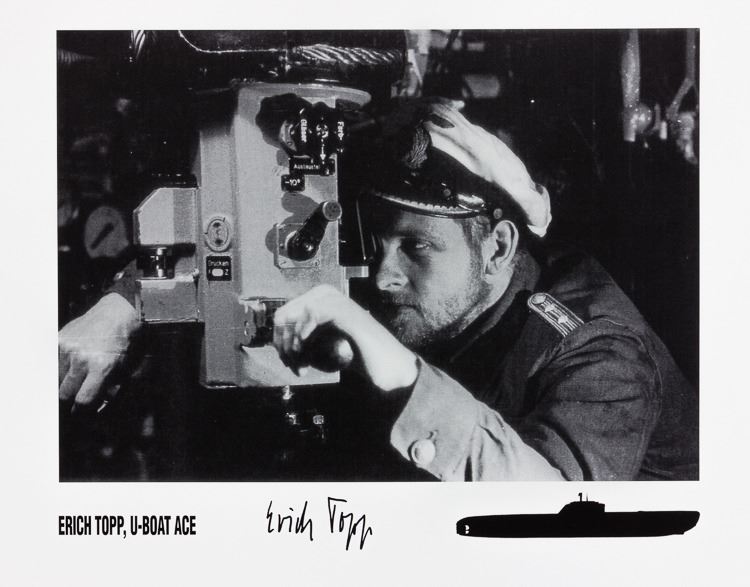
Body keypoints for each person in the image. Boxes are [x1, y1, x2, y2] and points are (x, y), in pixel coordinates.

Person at [59, 100, 698, 481]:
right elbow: (245, 254)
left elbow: (553, 515)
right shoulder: (429, 288)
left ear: (499, 248)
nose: (384, 275)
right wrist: (127, 303)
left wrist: (404, 373)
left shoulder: (600, 352)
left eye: (417, 247)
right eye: (378, 240)